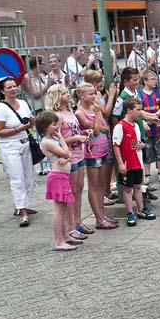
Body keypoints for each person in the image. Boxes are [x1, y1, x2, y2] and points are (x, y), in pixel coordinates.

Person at [46, 84, 90, 239]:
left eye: (67, 92)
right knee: (70, 192)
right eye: (64, 93)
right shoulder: (56, 116)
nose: (68, 95)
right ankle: (70, 227)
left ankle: (77, 221)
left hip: (79, 153)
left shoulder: (70, 111)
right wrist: (76, 138)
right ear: (56, 96)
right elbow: (57, 139)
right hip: (67, 156)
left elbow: (72, 130)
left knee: (78, 188)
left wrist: (81, 133)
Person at [0, 77, 36, 227]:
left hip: (25, 142)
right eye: (9, 87)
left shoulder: (22, 103)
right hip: (10, 146)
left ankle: (25, 204)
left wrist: (31, 122)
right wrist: (18, 129)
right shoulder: (0, 108)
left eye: (15, 86)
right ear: (2, 91)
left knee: (28, 176)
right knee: (17, 178)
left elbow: (29, 122)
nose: (13, 89)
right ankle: (21, 210)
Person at [35, 111, 79, 251]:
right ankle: (58, 241)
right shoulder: (47, 142)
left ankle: (65, 236)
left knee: (64, 209)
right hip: (57, 177)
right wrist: (62, 139)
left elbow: (68, 154)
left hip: (63, 176)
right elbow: (66, 152)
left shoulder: (53, 140)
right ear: (45, 126)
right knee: (59, 210)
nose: (57, 127)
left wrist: (66, 155)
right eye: (54, 124)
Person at [74, 82, 115, 230]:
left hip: (103, 148)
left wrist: (98, 122)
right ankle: (98, 218)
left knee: (102, 185)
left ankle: (102, 215)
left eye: (94, 93)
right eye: (90, 94)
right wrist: (98, 115)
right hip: (92, 152)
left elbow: (106, 128)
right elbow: (97, 131)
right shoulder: (80, 113)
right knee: (94, 185)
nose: (94, 96)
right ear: (81, 95)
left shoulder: (94, 108)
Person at [113, 98, 156, 226]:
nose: (140, 112)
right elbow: (116, 145)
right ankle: (129, 212)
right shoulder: (120, 126)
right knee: (127, 189)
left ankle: (141, 209)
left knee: (138, 186)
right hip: (127, 163)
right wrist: (120, 163)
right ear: (129, 110)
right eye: (138, 110)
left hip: (137, 162)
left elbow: (139, 142)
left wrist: (142, 145)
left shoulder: (137, 125)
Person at [139, 69, 160, 185]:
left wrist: (156, 115)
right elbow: (139, 110)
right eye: (152, 79)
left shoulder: (159, 93)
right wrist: (147, 119)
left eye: (155, 79)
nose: (155, 81)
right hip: (146, 129)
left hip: (158, 127)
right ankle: (147, 174)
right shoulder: (139, 94)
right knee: (147, 151)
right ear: (145, 81)